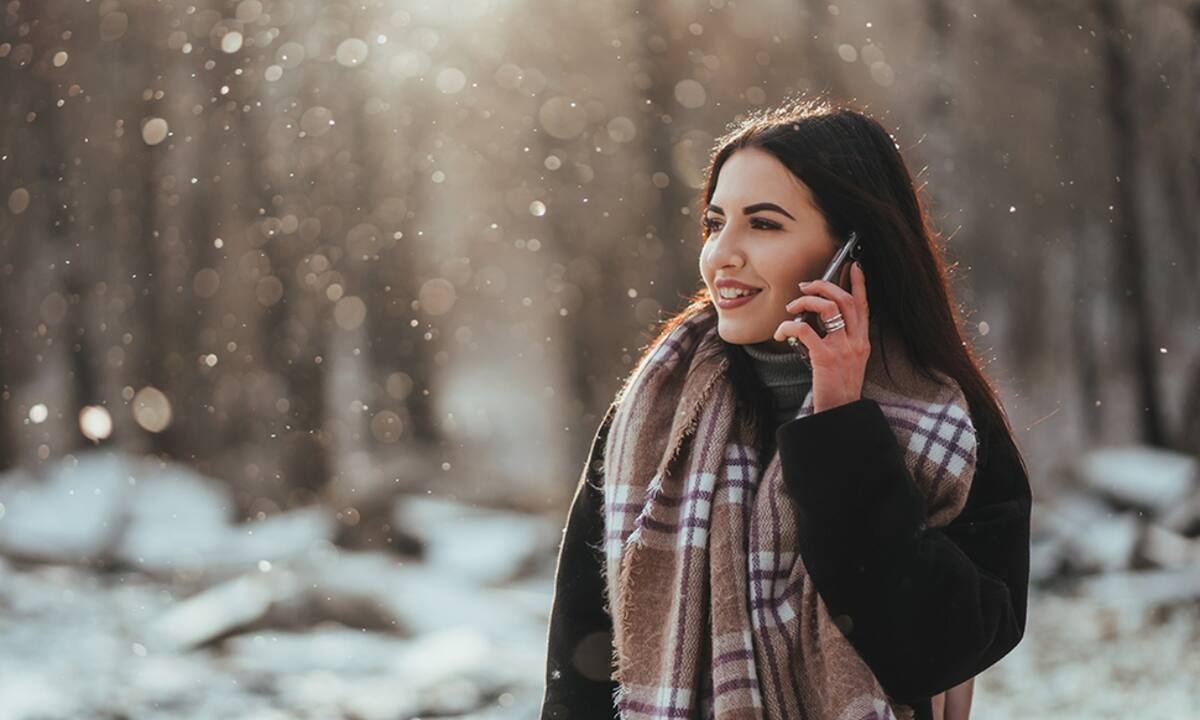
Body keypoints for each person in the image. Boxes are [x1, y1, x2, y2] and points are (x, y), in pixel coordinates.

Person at [539, 96, 1032, 720]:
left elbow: (933, 649)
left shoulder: (950, 422)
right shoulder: (648, 417)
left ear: (853, 251)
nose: (722, 254)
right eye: (715, 223)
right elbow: (581, 668)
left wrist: (839, 426)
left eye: (764, 224)